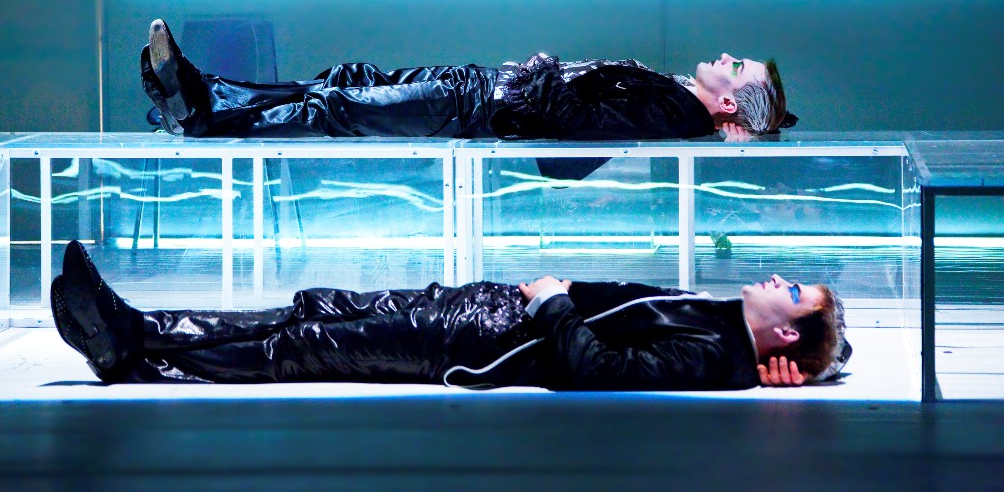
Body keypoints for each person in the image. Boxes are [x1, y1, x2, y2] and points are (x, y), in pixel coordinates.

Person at [51, 241, 851, 391]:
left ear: (784, 331)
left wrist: (553, 300)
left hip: (480, 337)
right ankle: (134, 331)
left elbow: (600, 369)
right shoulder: (721, 326)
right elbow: (831, 352)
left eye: (793, 291)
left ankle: (133, 348)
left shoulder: (715, 355)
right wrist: (823, 363)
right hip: (479, 308)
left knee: (302, 345)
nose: (779, 278)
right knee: (308, 310)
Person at [140, 18, 797, 145]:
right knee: (347, 82)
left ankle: (198, 109)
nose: (727, 55)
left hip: (477, 106)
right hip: (477, 91)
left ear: (729, 100)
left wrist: (541, 66)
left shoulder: (672, 112)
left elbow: (577, 121)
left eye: (737, 66)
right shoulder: (675, 99)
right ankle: (198, 94)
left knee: (338, 106)